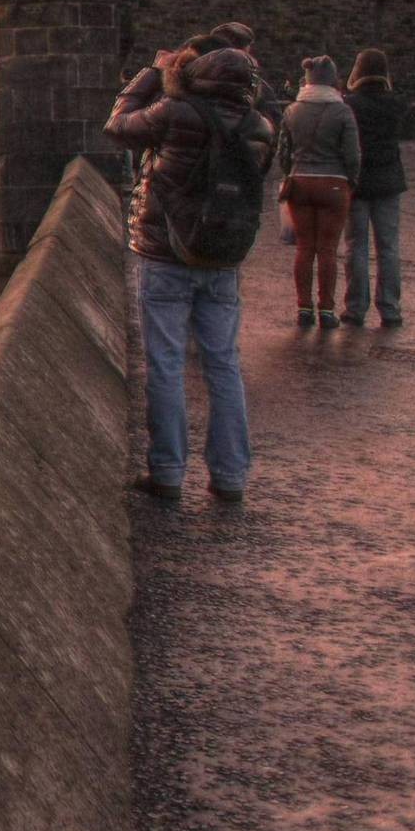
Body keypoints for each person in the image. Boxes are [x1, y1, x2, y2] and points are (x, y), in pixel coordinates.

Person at [107, 44, 276, 504]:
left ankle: (166, 472)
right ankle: (231, 477)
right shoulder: (260, 127)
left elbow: (118, 126)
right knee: (224, 366)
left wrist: (152, 72)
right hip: (222, 257)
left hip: (165, 254)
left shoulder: (175, 112)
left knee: (165, 365)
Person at [277, 55, 361, 329]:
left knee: (304, 247)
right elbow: (352, 154)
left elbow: (283, 152)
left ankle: (303, 307)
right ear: (333, 81)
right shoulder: (342, 111)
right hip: (334, 183)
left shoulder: (293, 110)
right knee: (327, 249)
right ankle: (326, 310)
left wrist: (290, 172)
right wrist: (351, 179)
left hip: (300, 181)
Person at [342, 49, 408, 327]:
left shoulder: (349, 105)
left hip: (357, 182)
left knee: (356, 246)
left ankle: (356, 308)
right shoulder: (396, 104)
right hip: (389, 180)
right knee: (389, 248)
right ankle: (390, 308)